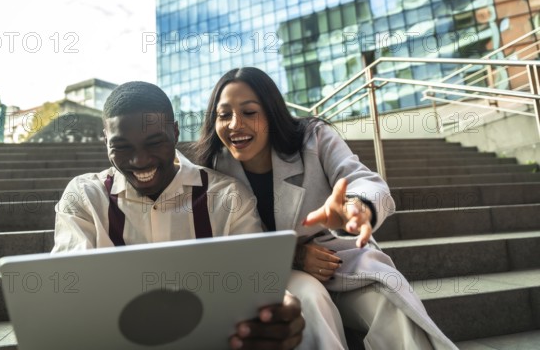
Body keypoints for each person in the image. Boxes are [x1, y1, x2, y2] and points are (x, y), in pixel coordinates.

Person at [194, 67, 457, 350]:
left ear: (272, 113)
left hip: (342, 261)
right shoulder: (214, 170)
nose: (235, 124)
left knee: (387, 303)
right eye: (224, 115)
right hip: (279, 274)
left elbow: (362, 179)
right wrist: (293, 256)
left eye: (249, 112)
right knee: (310, 301)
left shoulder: (313, 138)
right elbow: (229, 250)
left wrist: (356, 208)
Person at [52, 81, 305, 350]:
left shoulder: (228, 196)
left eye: (154, 142)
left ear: (174, 132)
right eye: (122, 146)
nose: (139, 161)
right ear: (105, 141)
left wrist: (274, 311)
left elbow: (256, 279)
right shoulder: (84, 197)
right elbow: (70, 287)